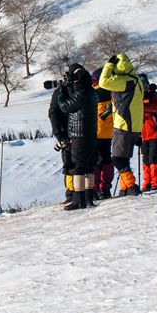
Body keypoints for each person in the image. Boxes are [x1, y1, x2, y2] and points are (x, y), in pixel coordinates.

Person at [98, 53, 145, 196]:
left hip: (124, 125)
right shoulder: (137, 80)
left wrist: (108, 65)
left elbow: (103, 82)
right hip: (134, 125)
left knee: (117, 159)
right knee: (124, 158)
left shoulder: (126, 81)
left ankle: (131, 186)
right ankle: (124, 189)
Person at [55, 63, 98, 210]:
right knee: (89, 166)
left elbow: (65, 106)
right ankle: (89, 197)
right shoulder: (92, 92)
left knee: (78, 166)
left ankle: (78, 199)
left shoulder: (81, 93)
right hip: (92, 133)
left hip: (80, 133)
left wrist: (61, 94)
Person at [48, 79, 74, 205]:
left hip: (66, 133)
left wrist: (59, 134)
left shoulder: (59, 93)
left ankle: (71, 192)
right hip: (83, 133)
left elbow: (53, 113)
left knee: (69, 164)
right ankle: (86, 190)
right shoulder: (83, 89)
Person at [91, 67, 115, 199]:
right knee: (107, 159)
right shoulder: (112, 91)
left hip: (96, 131)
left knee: (95, 162)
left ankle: (96, 188)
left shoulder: (95, 93)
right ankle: (106, 188)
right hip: (109, 132)